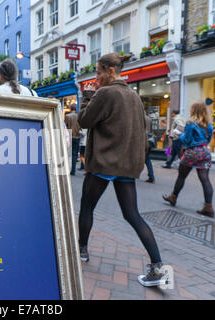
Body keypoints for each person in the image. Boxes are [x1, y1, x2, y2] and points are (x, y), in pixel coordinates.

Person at [77, 52, 165, 287]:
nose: (97, 77)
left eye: (98, 72)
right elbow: (142, 127)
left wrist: (86, 95)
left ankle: (82, 250)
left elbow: (84, 120)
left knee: (87, 206)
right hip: (126, 165)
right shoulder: (134, 96)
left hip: (105, 163)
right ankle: (158, 268)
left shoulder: (105, 93)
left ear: (110, 71)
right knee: (132, 214)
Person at [163, 101, 215, 217]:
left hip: (192, 152)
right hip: (205, 153)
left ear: (193, 110)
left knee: (181, 176)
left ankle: (173, 197)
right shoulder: (210, 125)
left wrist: (178, 133)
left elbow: (186, 140)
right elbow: (208, 140)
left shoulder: (191, 123)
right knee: (205, 180)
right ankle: (209, 207)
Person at [64, 103, 81, 175]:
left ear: (70, 108)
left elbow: (65, 127)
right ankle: (73, 170)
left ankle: (67, 169)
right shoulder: (79, 116)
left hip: (69, 137)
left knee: (67, 154)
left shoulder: (67, 116)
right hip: (77, 137)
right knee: (74, 154)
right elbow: (80, 127)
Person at [145, 113, 155, 183]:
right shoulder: (149, 118)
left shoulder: (138, 117)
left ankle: (130, 175)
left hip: (141, 140)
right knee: (147, 159)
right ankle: (151, 176)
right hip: (149, 140)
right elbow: (151, 131)